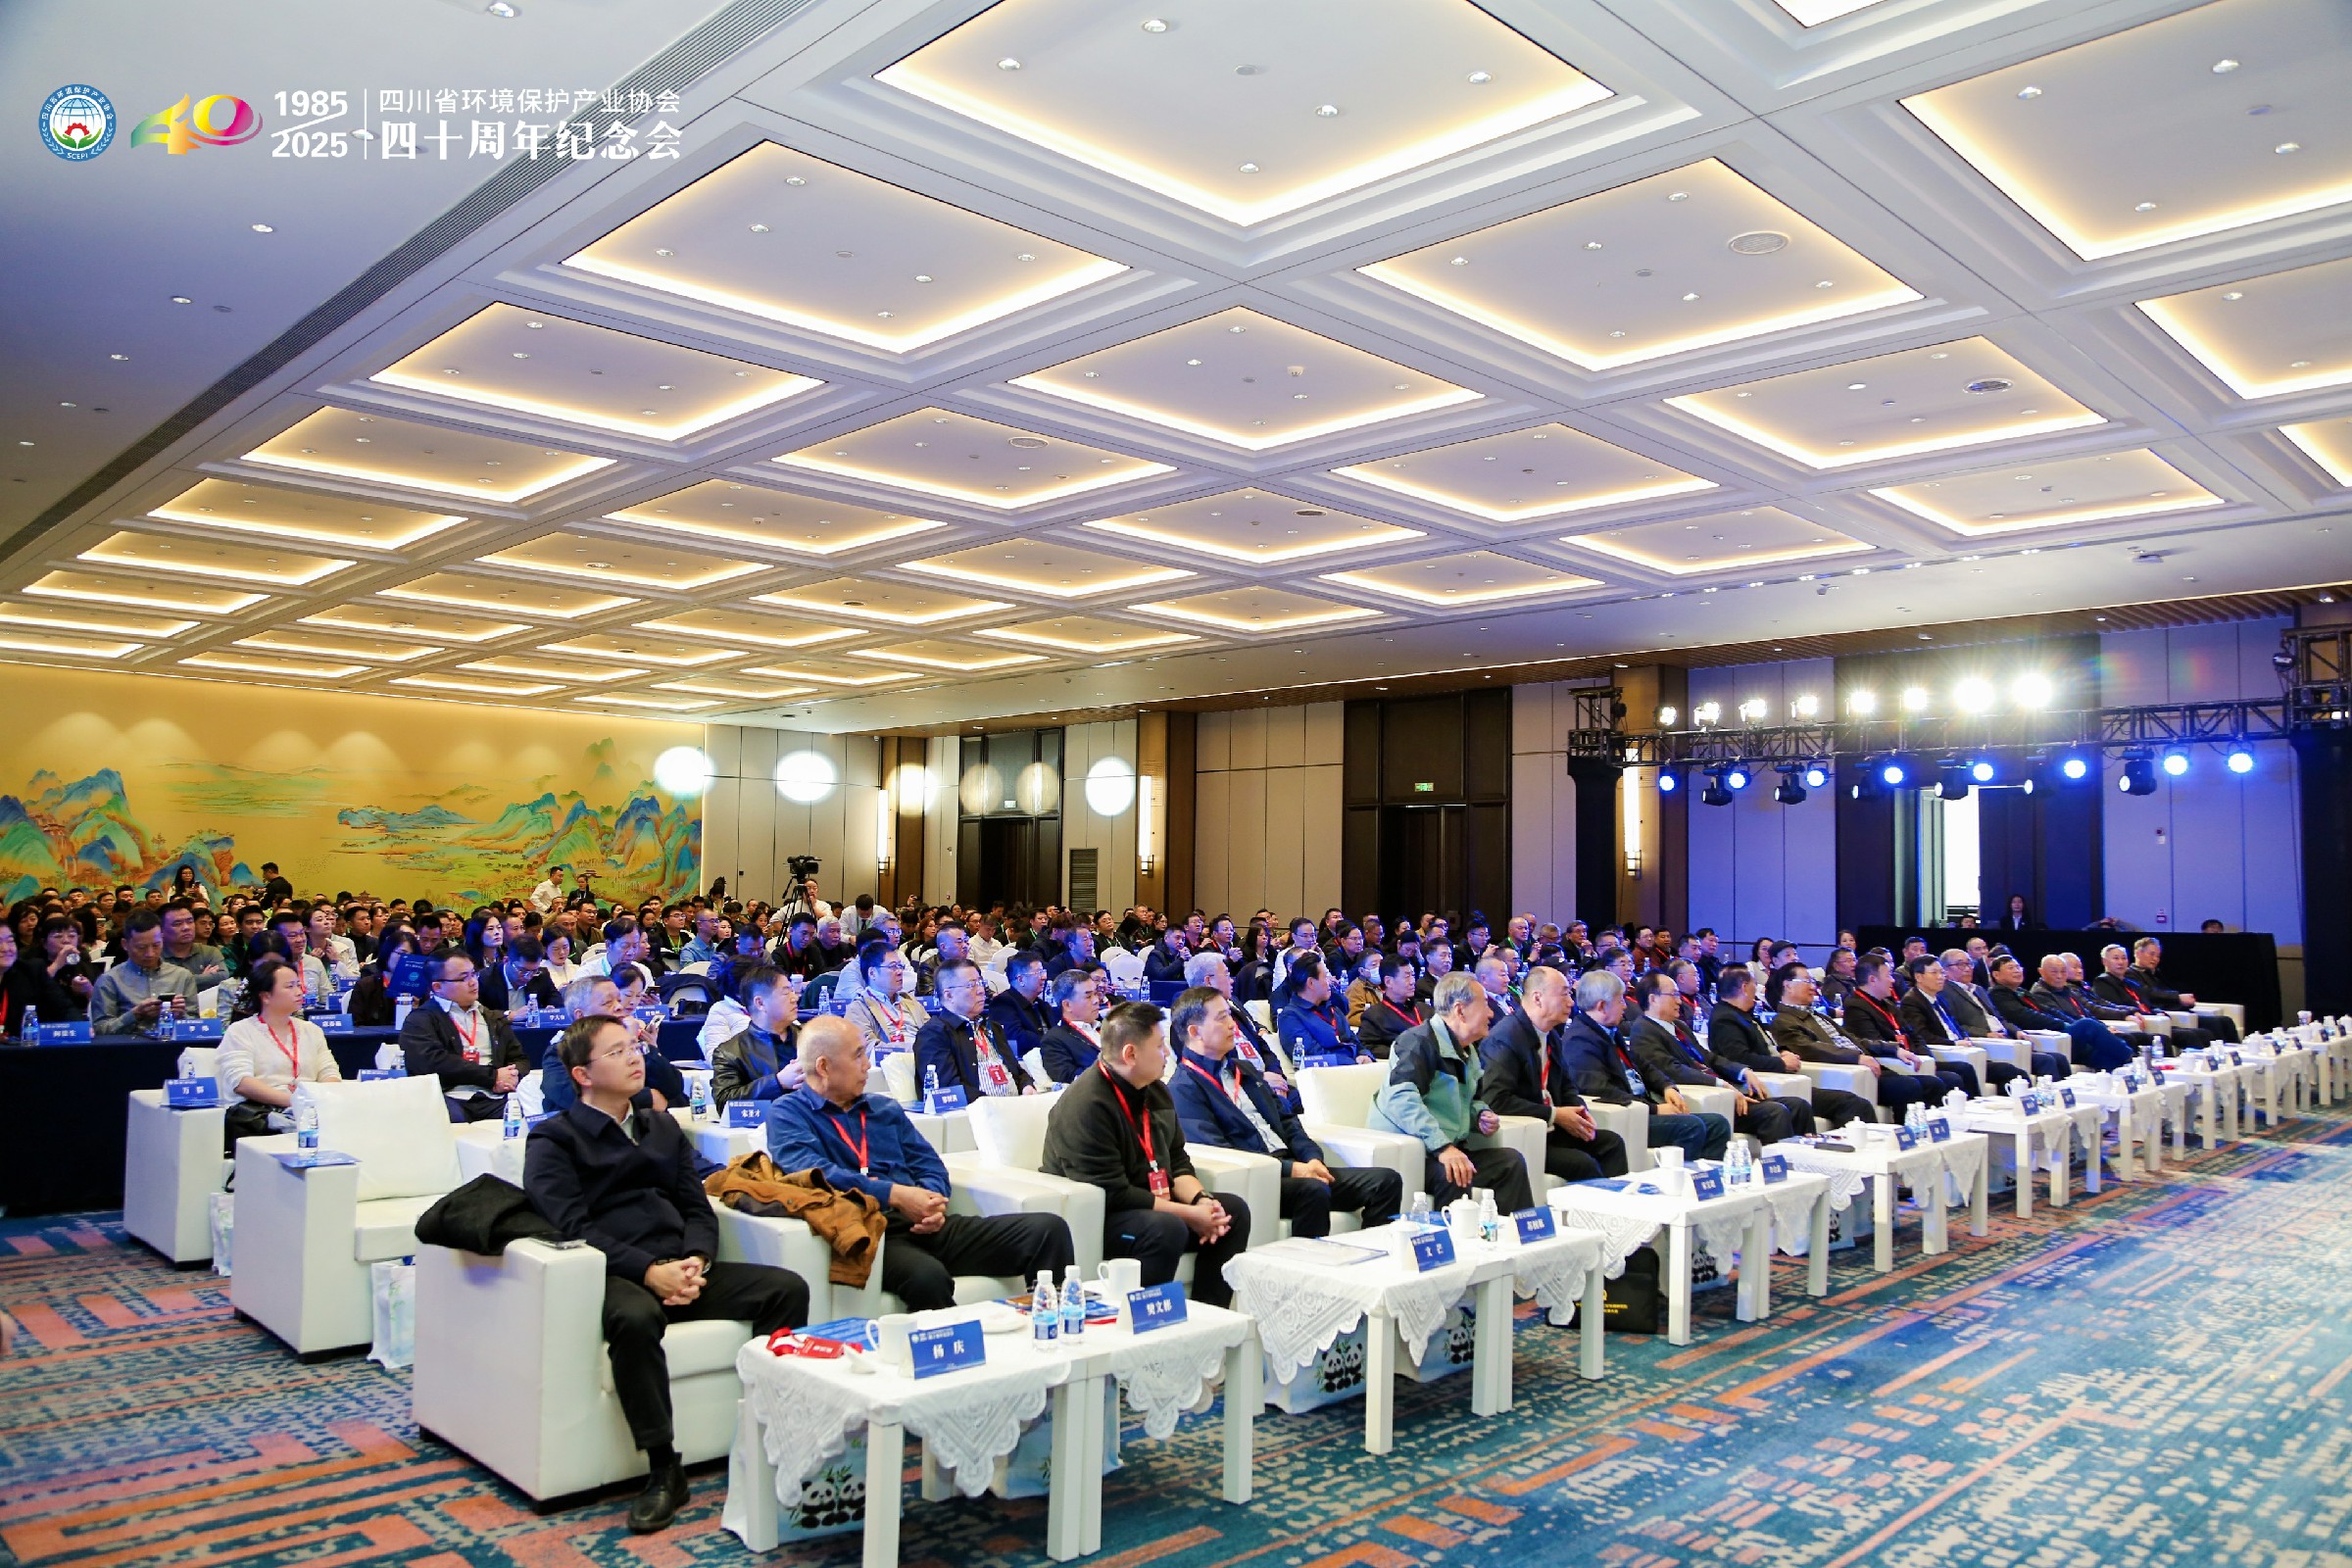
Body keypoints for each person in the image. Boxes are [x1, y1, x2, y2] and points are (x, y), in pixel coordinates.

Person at [525, 1014, 808, 1534]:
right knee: (634, 1320)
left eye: (633, 1046)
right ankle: (663, 1468)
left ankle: (773, 1435)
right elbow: (573, 1228)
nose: (634, 1057)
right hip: (617, 1272)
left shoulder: (660, 1126)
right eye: (616, 1052)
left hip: (681, 1264)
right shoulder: (554, 1139)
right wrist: (649, 1271)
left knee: (785, 1290)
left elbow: (695, 1205)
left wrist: (697, 1258)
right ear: (583, 1074)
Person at [767, 1015, 1074, 1308]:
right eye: (858, 1055)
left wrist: (931, 1201)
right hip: (873, 1234)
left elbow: (929, 1163)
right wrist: (895, 1195)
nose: (867, 1064)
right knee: (928, 1277)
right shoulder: (789, 1114)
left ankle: (1050, 1326)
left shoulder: (883, 1109)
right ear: (823, 1066)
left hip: (925, 1222)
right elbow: (815, 1175)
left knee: (1047, 1230)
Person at [1041, 1002, 1250, 1306]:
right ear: (1130, 1054)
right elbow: (1112, 1193)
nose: (1167, 1053)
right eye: (1160, 1045)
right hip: (1101, 1216)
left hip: (1152, 1202)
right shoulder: (1086, 1105)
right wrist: (1188, 1215)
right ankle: (1143, 1320)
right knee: (1165, 1228)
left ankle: (1209, 1314)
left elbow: (1177, 1160)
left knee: (1231, 1211)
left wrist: (1201, 1201)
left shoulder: (1155, 1090)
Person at [1167, 986, 1400, 1236]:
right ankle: (1309, 1260)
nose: (1233, 1025)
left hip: (1295, 1166)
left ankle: (1368, 1255)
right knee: (1313, 1190)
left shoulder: (1244, 1070)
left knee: (1385, 1181)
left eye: (1230, 1016)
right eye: (1222, 1018)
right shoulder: (1184, 1088)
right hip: (1259, 1179)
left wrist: (1312, 1158)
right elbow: (1221, 1152)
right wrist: (1293, 1170)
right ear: (1195, 1032)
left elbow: (1288, 1121)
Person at [1369, 971, 1534, 1210]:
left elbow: (1470, 1099)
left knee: (1510, 1162)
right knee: (1455, 1172)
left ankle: (1514, 1231)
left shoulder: (1468, 1049)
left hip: (1445, 1147)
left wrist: (1480, 1115)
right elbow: (1401, 1100)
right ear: (1460, 1010)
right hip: (1411, 1151)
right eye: (1485, 1004)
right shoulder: (1418, 1042)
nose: (1491, 1013)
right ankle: (1456, 1235)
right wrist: (1443, 1147)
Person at [1556, 968, 1732, 1162]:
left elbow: (1643, 1065)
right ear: (1602, 1006)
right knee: (1691, 1127)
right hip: (1628, 1114)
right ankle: (1678, 1179)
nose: (1625, 1007)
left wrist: (1666, 1086)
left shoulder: (1608, 1030)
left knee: (1718, 1124)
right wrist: (1654, 1109)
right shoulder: (1579, 1040)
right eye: (1620, 1001)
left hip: (1642, 1106)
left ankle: (1706, 1177)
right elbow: (1600, 1089)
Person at [1478, 964, 1629, 1183]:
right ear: (1538, 998)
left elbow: (1567, 1086)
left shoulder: (1551, 1036)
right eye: (1564, 994)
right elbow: (1497, 1099)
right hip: (1527, 1136)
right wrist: (1554, 1114)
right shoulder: (1505, 1038)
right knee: (1582, 1163)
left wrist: (1579, 1111)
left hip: (1552, 1129)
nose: (1571, 1002)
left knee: (1611, 1143)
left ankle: (1622, 1202)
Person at [1627, 972, 1807, 1144]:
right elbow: (1673, 1069)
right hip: (1708, 1098)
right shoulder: (1643, 1031)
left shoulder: (1679, 1026)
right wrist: (1720, 1085)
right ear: (1653, 999)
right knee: (1775, 1112)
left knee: (1798, 1106)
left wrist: (1742, 1071)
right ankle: (1776, 1163)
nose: (1679, 1000)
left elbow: (1709, 1058)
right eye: (1673, 994)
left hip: (1726, 1091)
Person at [1710, 966, 1875, 1129]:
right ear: (1745, 987)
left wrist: (1782, 1051)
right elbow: (1740, 1059)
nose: (1758, 991)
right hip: (1765, 1084)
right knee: (1849, 1103)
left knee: (1855, 1102)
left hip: (1781, 1080)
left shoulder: (1742, 1013)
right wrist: (1781, 1063)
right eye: (1754, 984)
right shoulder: (1725, 1019)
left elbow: (1765, 1045)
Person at [217, 956, 343, 1147]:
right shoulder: (240, 1031)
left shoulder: (311, 1030)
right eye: (289, 986)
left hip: (310, 1111)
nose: (299, 991)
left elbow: (330, 1074)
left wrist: (316, 1102)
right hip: (263, 1115)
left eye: (298, 985)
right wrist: (294, 1102)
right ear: (266, 996)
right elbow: (242, 1083)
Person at [401, 950, 529, 1121]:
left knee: (534, 1112)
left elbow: (519, 1058)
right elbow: (433, 1063)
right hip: (450, 1096)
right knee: (447, 1118)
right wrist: (492, 1077)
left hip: (495, 1095)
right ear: (438, 987)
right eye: (463, 978)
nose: (473, 982)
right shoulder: (420, 1020)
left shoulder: (492, 1018)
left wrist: (512, 1077)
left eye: (473, 974)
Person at [542, 974, 685, 1114]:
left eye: (619, 1000)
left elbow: (674, 1086)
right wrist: (646, 1098)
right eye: (607, 1002)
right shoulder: (560, 1052)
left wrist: (634, 1043)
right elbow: (573, 1096)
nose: (619, 1007)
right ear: (581, 1015)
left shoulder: (634, 1040)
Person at [1841, 955, 1973, 1099]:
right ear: (1873, 979)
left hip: (1911, 1059)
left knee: (1964, 1069)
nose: (1893, 980)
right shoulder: (1855, 1007)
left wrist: (1925, 1057)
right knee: (1942, 1081)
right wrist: (1904, 1054)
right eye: (1888, 975)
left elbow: (1915, 1035)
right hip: (1889, 1064)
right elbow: (1873, 1045)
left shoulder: (1888, 1004)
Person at [1936, 951, 2072, 1077]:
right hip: (1987, 1042)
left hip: (2006, 1038)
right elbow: (1955, 1025)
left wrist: (2016, 1031)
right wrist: (1986, 1034)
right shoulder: (1945, 991)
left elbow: (1999, 1018)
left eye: (1970, 963)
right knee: (2046, 1060)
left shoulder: (1978, 989)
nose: (1967, 968)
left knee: (2059, 1058)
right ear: (1945, 970)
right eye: (1961, 964)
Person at [914, 959, 1033, 1101]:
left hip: (1015, 1105)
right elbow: (947, 1087)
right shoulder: (934, 1034)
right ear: (949, 995)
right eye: (971, 985)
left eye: (981, 983)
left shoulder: (992, 1027)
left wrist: (1026, 1086)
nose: (981, 990)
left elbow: (1017, 1071)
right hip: (977, 1110)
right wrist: (991, 1103)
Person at [1891, 957, 2007, 1094]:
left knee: (2006, 1070)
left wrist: (1964, 1037)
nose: (1941, 977)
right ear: (1919, 977)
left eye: (1942, 972)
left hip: (1963, 1051)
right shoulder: (1911, 1001)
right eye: (1934, 973)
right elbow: (1923, 1035)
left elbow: (1956, 1025)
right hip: (1944, 1053)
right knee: (1964, 1069)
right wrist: (1954, 1044)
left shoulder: (1939, 997)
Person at [90, 909, 199, 1036]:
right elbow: (100, 1029)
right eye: (141, 947)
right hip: (128, 1045)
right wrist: (135, 1015)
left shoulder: (182, 976)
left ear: (162, 939)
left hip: (174, 1045)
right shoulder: (110, 980)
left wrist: (181, 1016)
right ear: (125, 944)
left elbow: (197, 1026)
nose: (150, 953)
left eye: (156, 945)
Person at [2023, 956, 2141, 1070]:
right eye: (2054, 972)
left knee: (2113, 1056)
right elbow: (2060, 1018)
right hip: (2061, 1036)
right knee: (2087, 1024)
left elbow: (2087, 1012)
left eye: (2063, 971)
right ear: (2041, 972)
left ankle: (2132, 1072)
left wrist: (2105, 1027)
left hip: (2081, 1038)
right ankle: (2132, 1059)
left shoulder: (2067, 990)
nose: (2059, 976)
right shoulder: (2040, 993)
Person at [710, 966, 804, 1108]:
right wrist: (778, 1082)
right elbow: (724, 1102)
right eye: (786, 992)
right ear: (760, 1003)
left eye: (792, 991)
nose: (795, 998)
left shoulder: (812, 1037)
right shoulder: (730, 1052)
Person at [2092, 945, 2212, 1052]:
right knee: (2188, 1036)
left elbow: (2147, 1003)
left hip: (2153, 1019)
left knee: (2203, 1033)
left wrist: (2158, 1011)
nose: (2121, 962)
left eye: (2124, 958)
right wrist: (2135, 1013)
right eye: (2116, 958)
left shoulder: (2130, 983)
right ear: (2105, 961)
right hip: (2143, 1022)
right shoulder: (2103, 982)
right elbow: (2115, 1006)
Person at [2126, 937, 2239, 1042]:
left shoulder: (2155, 974)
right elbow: (2149, 994)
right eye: (2152, 954)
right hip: (2164, 1013)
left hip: (2177, 1010)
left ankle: (2237, 1053)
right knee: (2215, 1024)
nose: (2155, 959)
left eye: (2158, 956)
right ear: (2138, 953)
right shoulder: (2129, 974)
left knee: (2225, 1020)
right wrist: (2178, 998)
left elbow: (2166, 991)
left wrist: (2184, 1000)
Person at [1276, 954, 1363, 1066]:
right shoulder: (1290, 1017)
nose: (1330, 982)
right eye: (1326, 977)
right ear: (1311, 983)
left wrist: (1364, 1054)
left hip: (1354, 1068)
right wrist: (1353, 1062)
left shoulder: (1332, 1008)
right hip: (1326, 1073)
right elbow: (1312, 1056)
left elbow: (1354, 1040)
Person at [8, 914, 96, 1021]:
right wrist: (57, 964)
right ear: (44, 943)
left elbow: (101, 1003)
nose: (66, 940)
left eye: (72, 936)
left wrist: (88, 990)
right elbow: (29, 995)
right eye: (58, 936)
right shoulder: (32, 966)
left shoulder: (84, 965)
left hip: (78, 1021)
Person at [846, 947, 927, 1057]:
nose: (900, 972)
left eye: (900, 966)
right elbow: (868, 1049)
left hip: (926, 1059)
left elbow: (933, 1032)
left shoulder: (909, 1001)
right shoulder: (858, 1008)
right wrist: (914, 1050)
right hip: (892, 1063)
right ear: (872, 973)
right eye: (893, 967)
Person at [1038, 966, 1104, 1083]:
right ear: (1067, 1005)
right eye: (1088, 996)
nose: (1096, 1000)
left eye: (1095, 993)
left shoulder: (1107, 1026)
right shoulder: (1055, 1039)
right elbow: (1068, 1078)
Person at [986, 949, 1053, 1062]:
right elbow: (1016, 1039)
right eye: (1038, 973)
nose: (1044, 977)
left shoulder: (1042, 1005)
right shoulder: (1003, 1003)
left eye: (1043, 972)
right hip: (1027, 1063)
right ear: (1021, 979)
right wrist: (1054, 1043)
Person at [1354, 956, 1425, 1058]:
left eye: (1413, 975)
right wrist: (1401, 1051)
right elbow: (1366, 1046)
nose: (1412, 981)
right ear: (1388, 981)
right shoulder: (1375, 1016)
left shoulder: (1424, 1009)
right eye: (1407, 977)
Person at [159, 901, 228, 989]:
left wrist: (180, 981)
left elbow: (222, 976)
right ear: (161, 929)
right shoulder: (155, 956)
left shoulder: (210, 951)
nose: (186, 927)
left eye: (190, 921)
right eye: (177, 924)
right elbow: (161, 984)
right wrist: (204, 977)